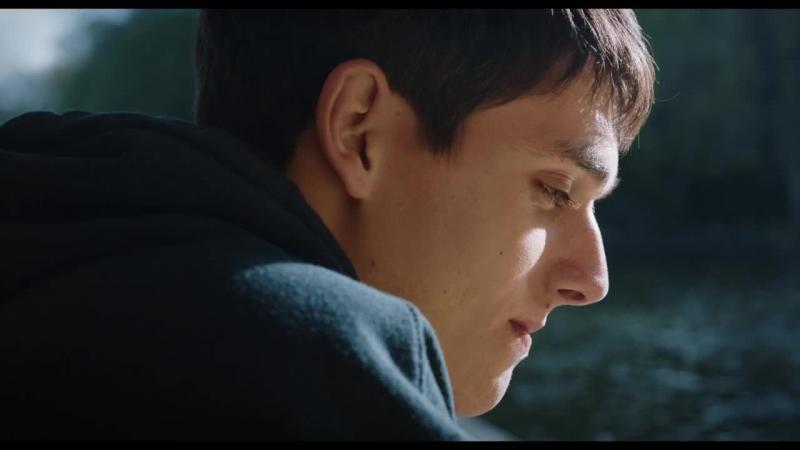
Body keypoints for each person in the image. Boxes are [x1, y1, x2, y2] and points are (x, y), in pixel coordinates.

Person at [0, 9, 655, 440]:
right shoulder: (308, 371)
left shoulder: (61, 253)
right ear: (359, 129)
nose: (592, 278)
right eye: (553, 191)